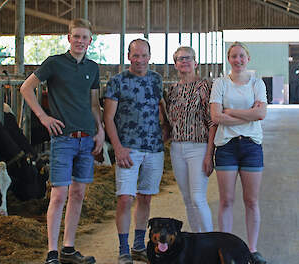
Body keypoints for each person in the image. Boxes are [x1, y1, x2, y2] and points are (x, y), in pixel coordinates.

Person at [20, 18, 104, 264]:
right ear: (69, 38)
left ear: (90, 41)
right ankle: (52, 252)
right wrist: (43, 117)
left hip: (87, 139)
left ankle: (68, 248)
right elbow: (26, 88)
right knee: (59, 195)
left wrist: (99, 131)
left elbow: (93, 104)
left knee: (78, 194)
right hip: (63, 139)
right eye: (76, 36)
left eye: (84, 37)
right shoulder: (54, 63)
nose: (80, 41)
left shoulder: (93, 67)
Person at [103, 39, 165, 264]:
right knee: (125, 198)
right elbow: (108, 117)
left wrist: (166, 131)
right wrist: (117, 148)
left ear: (150, 56)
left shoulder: (157, 80)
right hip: (127, 149)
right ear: (128, 56)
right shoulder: (117, 81)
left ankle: (139, 246)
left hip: (154, 149)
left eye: (144, 55)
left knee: (145, 197)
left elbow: (161, 107)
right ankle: (123, 249)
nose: (139, 60)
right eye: (135, 55)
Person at [209, 41, 268, 264]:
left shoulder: (257, 83)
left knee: (251, 200)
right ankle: (226, 249)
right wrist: (248, 114)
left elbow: (261, 114)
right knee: (226, 200)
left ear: (248, 58)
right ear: (229, 59)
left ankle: (252, 250)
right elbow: (216, 117)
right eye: (234, 56)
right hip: (226, 146)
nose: (238, 60)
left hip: (251, 145)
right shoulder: (220, 83)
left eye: (242, 56)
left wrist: (231, 112)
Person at [164, 46, 216, 232]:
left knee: (198, 198)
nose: (184, 61)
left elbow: (212, 122)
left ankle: (209, 241)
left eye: (188, 58)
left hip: (199, 147)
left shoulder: (205, 86)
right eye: (180, 59)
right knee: (187, 199)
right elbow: (169, 121)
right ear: (176, 64)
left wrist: (209, 154)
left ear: (195, 62)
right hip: (177, 148)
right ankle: (197, 241)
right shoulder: (172, 90)